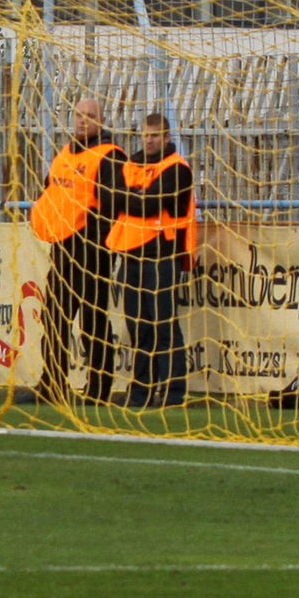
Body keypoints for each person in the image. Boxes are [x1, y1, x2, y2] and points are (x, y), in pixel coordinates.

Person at [22, 97, 127, 406]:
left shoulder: (109, 156)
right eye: (79, 115)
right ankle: (52, 383)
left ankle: (98, 390)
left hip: (93, 249)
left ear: (101, 121)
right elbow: (51, 194)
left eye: (90, 115)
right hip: (63, 247)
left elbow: (113, 206)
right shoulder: (64, 155)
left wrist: (97, 241)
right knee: (54, 316)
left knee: (93, 320)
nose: (84, 120)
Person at [107, 113, 194, 408]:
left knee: (164, 325)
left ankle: (172, 392)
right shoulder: (131, 164)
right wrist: (136, 196)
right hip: (131, 254)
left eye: (155, 135)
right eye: (146, 134)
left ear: (167, 137)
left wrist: (132, 197)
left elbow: (150, 205)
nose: (150, 140)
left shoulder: (177, 169)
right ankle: (141, 392)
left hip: (162, 255)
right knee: (138, 327)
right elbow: (110, 197)